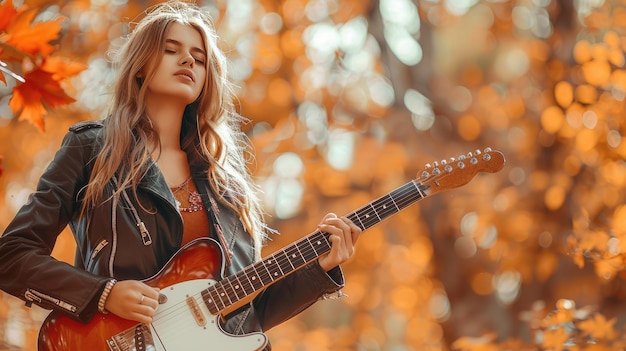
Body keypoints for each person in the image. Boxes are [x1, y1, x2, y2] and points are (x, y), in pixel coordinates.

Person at [0, 1, 361, 349]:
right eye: (172, 50)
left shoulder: (227, 188)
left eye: (200, 58)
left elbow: (247, 317)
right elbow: (13, 255)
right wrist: (103, 294)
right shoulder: (92, 148)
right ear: (140, 65)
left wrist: (320, 268)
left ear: (207, 78)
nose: (188, 59)